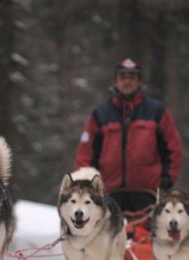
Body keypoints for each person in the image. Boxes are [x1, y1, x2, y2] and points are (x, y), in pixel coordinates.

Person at [74, 58, 183, 212]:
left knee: (145, 236)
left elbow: (173, 151)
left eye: (132, 77)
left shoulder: (157, 111)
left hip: (148, 194)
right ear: (115, 81)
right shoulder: (100, 114)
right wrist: (86, 186)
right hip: (108, 194)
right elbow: (85, 155)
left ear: (139, 82)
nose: (127, 81)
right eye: (123, 77)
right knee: (109, 236)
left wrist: (165, 181)